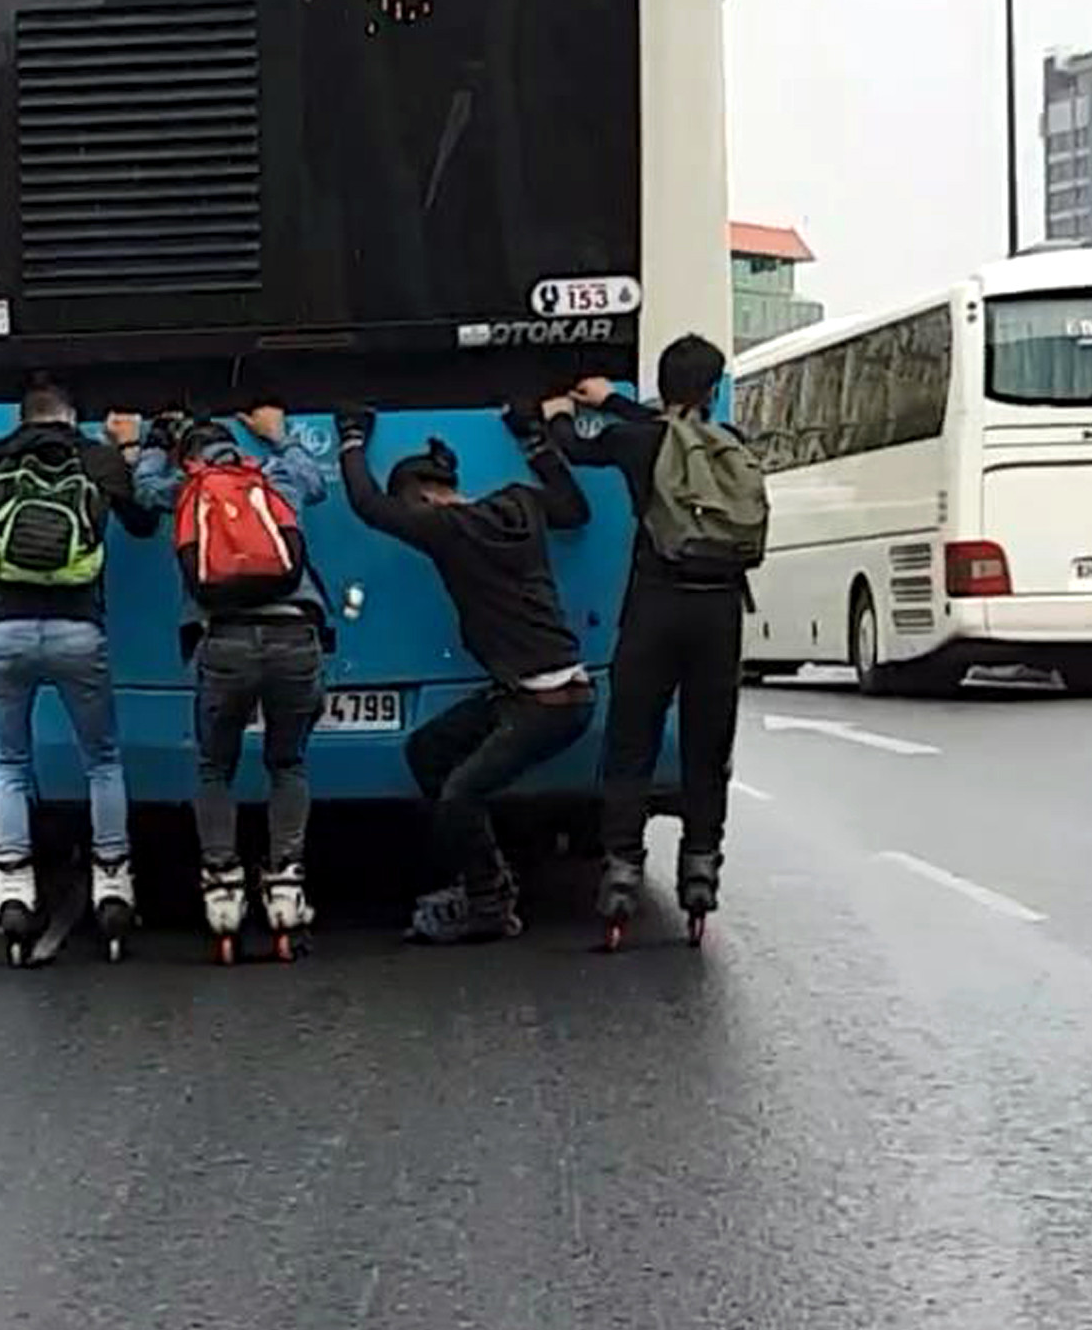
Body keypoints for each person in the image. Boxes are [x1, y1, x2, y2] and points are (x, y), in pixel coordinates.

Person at [334, 398, 594, 943]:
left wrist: (352, 437)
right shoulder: (520, 501)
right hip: (545, 690)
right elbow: (574, 509)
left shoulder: (444, 527)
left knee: (460, 793)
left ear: (422, 497)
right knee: (426, 749)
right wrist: (535, 442)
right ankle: (478, 871)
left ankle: (488, 904)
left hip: (546, 705)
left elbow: (367, 505)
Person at [552, 335, 762, 935]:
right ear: (714, 390)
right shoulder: (732, 446)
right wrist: (620, 403)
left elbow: (572, 447)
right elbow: (677, 428)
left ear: (662, 387)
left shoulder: (635, 441)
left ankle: (621, 868)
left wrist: (564, 413)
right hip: (720, 613)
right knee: (706, 746)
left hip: (655, 609)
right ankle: (701, 869)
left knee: (632, 742)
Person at [116, 406, 332, 958]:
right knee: (288, 762)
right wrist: (278, 435)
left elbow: (142, 490)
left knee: (215, 766)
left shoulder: (184, 487)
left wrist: (154, 445)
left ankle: (222, 888)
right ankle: (286, 885)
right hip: (294, 638)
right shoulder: (274, 478)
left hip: (225, 641)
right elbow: (314, 476)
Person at [0, 373, 160, 958]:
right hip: (79, 628)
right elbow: (143, 521)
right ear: (70, 416)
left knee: (9, 763)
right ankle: (112, 879)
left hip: (3, 628)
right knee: (102, 759)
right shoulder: (95, 457)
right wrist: (125, 452)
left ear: (24, 417)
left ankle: (15, 884)